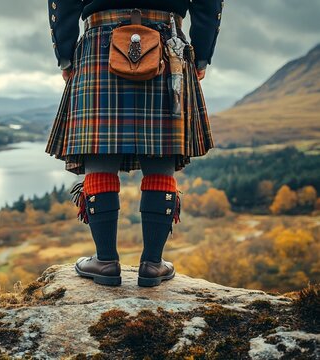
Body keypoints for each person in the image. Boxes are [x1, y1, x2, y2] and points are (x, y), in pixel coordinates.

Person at [45, 0, 223, 287]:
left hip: (99, 40)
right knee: (161, 153)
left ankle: (105, 262)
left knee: (100, 150)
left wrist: (66, 55)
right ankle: (152, 265)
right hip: (168, 42)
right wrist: (201, 55)